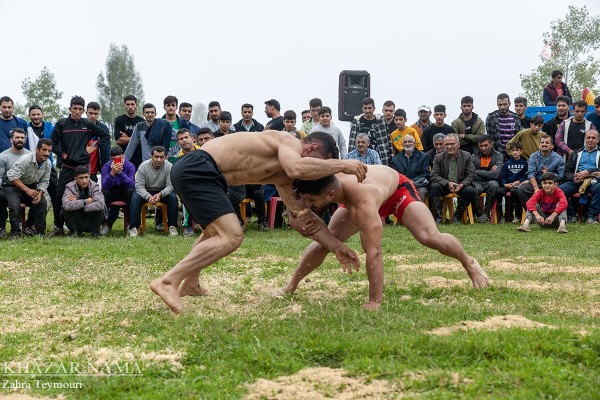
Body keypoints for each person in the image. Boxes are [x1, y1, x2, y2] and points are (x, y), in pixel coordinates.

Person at [150, 131, 368, 313]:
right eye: (320, 165)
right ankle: (168, 281)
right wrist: (340, 165)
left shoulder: (283, 174)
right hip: (199, 166)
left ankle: (190, 284)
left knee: (214, 233)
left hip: (206, 174)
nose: (317, 175)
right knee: (231, 236)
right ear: (311, 149)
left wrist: (336, 246)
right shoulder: (289, 142)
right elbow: (297, 168)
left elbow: (302, 219)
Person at [277, 166, 490, 310]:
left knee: (429, 237)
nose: (310, 204)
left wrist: (374, 302)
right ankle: (291, 285)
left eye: (313, 200)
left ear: (331, 195)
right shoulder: (327, 180)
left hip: (396, 190)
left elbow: (374, 252)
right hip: (358, 193)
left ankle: (468, 263)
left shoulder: (362, 203)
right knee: (326, 241)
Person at [50, 96, 111, 236]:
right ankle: (58, 226)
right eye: (74, 109)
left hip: (84, 167)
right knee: (59, 195)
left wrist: (92, 148)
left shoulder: (87, 124)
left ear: (83, 110)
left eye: (80, 109)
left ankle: (95, 225)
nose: (77, 112)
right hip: (67, 167)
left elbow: (105, 136)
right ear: (69, 109)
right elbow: (53, 143)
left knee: (93, 195)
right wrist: (63, 155)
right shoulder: (62, 124)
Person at [5, 139, 52, 237]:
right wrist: (27, 190)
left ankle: (36, 231)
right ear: (37, 149)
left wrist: (39, 194)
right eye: (44, 150)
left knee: (42, 202)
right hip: (13, 185)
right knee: (14, 205)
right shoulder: (26, 159)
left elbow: (44, 181)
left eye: (49, 151)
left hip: (31, 185)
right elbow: (12, 177)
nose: (47, 153)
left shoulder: (48, 163)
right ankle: (15, 232)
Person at [128, 146, 178, 237]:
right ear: (151, 156)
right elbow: (139, 186)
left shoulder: (169, 166)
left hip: (162, 191)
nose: (159, 160)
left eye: (161, 157)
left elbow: (171, 186)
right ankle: (134, 227)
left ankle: (172, 226)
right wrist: (148, 196)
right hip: (146, 190)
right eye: (156, 157)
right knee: (135, 197)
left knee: (173, 197)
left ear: (165, 157)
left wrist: (161, 194)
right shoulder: (143, 166)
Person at [430, 133, 476, 224]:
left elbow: (471, 174)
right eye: (446, 144)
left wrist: (462, 184)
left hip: (461, 184)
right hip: (445, 185)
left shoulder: (467, 156)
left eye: (452, 144)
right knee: (434, 187)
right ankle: (439, 217)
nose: (449, 146)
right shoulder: (438, 157)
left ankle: (457, 216)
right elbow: (434, 175)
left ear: (458, 145)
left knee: (470, 190)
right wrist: (448, 183)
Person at [558, 129, 600, 224]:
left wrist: (588, 171)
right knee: (559, 190)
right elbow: (566, 171)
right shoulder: (576, 153)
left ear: (598, 140)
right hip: (577, 180)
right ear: (585, 139)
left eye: (593, 138)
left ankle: (591, 217)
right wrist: (574, 178)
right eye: (588, 137)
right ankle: (572, 215)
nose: (590, 140)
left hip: (594, 181)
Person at [516, 134, 565, 209]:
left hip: (552, 183)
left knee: (559, 189)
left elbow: (561, 175)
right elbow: (531, 174)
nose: (544, 144)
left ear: (552, 146)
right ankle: (532, 212)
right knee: (521, 190)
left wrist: (548, 175)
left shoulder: (558, 158)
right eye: (542, 143)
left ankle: (547, 213)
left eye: (547, 143)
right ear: (539, 145)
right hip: (536, 182)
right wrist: (536, 189)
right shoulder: (533, 156)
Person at [0, 128, 31, 237]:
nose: (19, 140)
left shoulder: (30, 155)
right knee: (0, 196)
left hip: (26, 187)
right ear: (11, 140)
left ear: (25, 140)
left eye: (22, 138)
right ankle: (2, 227)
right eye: (17, 137)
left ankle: (30, 227)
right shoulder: (3, 156)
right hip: (8, 187)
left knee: (40, 201)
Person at [62, 165, 106, 237]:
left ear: (89, 176)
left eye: (86, 177)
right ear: (75, 179)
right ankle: (74, 232)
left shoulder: (94, 186)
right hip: (77, 219)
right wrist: (85, 201)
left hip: (90, 219)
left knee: (102, 208)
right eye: (81, 178)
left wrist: (77, 203)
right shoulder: (69, 187)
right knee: (64, 209)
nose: (84, 180)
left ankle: (95, 232)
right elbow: (66, 205)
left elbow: (100, 204)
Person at [100, 146, 136, 234]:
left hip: (125, 191)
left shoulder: (130, 166)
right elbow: (104, 186)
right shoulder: (106, 166)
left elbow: (132, 184)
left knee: (132, 192)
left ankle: (130, 225)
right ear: (111, 158)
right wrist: (112, 173)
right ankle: (105, 224)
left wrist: (120, 173)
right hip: (111, 191)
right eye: (114, 159)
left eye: (119, 159)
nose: (116, 161)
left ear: (123, 156)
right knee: (103, 193)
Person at [348, 97, 392, 166]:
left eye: (369, 108)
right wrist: (350, 161)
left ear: (374, 108)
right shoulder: (357, 122)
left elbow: (388, 141)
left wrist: (390, 158)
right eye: (365, 108)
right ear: (362, 109)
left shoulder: (381, 121)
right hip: (361, 158)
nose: (367, 110)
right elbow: (352, 142)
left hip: (380, 157)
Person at [27, 105, 57, 203]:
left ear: (42, 115)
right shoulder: (26, 128)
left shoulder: (50, 127)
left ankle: (57, 218)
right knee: (33, 196)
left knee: (56, 193)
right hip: (31, 166)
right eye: (33, 114)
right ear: (29, 116)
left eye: (38, 114)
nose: (36, 117)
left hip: (49, 165)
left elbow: (57, 143)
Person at [471, 135, 503, 222]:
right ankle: (479, 214)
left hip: (492, 181)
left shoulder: (498, 156)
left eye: (486, 145)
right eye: (481, 146)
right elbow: (471, 174)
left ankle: (486, 213)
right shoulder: (474, 156)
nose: (483, 148)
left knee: (493, 185)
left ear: (491, 144)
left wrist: (477, 171)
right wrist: (490, 172)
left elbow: (495, 175)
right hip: (477, 182)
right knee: (472, 189)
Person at [495, 141, 528, 223]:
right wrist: (505, 184)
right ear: (510, 152)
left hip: (518, 186)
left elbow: (526, 176)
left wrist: (518, 182)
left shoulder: (525, 163)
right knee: (498, 192)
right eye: (513, 150)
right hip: (507, 185)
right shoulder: (507, 163)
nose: (515, 152)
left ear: (521, 151)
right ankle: (500, 215)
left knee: (514, 192)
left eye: (517, 150)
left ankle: (517, 215)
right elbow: (503, 176)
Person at [389, 135, 430, 201]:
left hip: (418, 185)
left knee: (422, 192)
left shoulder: (423, 157)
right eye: (405, 142)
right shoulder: (395, 159)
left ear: (414, 144)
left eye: (410, 141)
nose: (407, 144)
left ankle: (418, 211)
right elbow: (395, 176)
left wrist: (413, 181)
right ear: (402, 145)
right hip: (402, 186)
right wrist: (405, 182)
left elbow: (426, 174)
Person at [485, 93, 523, 159]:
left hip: (513, 154)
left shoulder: (516, 117)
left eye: (505, 104)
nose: (502, 107)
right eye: (500, 104)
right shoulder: (491, 117)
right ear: (497, 104)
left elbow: (518, 137)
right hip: (498, 154)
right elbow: (490, 139)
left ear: (509, 104)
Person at [114, 95, 145, 169]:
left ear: (136, 105)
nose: (130, 107)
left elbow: (143, 141)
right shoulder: (119, 120)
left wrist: (126, 138)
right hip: (123, 158)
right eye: (128, 104)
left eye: (132, 104)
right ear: (124, 105)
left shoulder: (142, 121)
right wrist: (136, 138)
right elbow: (118, 141)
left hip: (139, 159)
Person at [85, 101, 110, 182]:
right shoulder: (80, 126)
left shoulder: (103, 128)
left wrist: (106, 166)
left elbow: (106, 149)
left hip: (95, 168)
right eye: (90, 113)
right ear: (86, 112)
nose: (93, 116)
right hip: (80, 167)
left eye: (95, 114)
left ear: (99, 114)